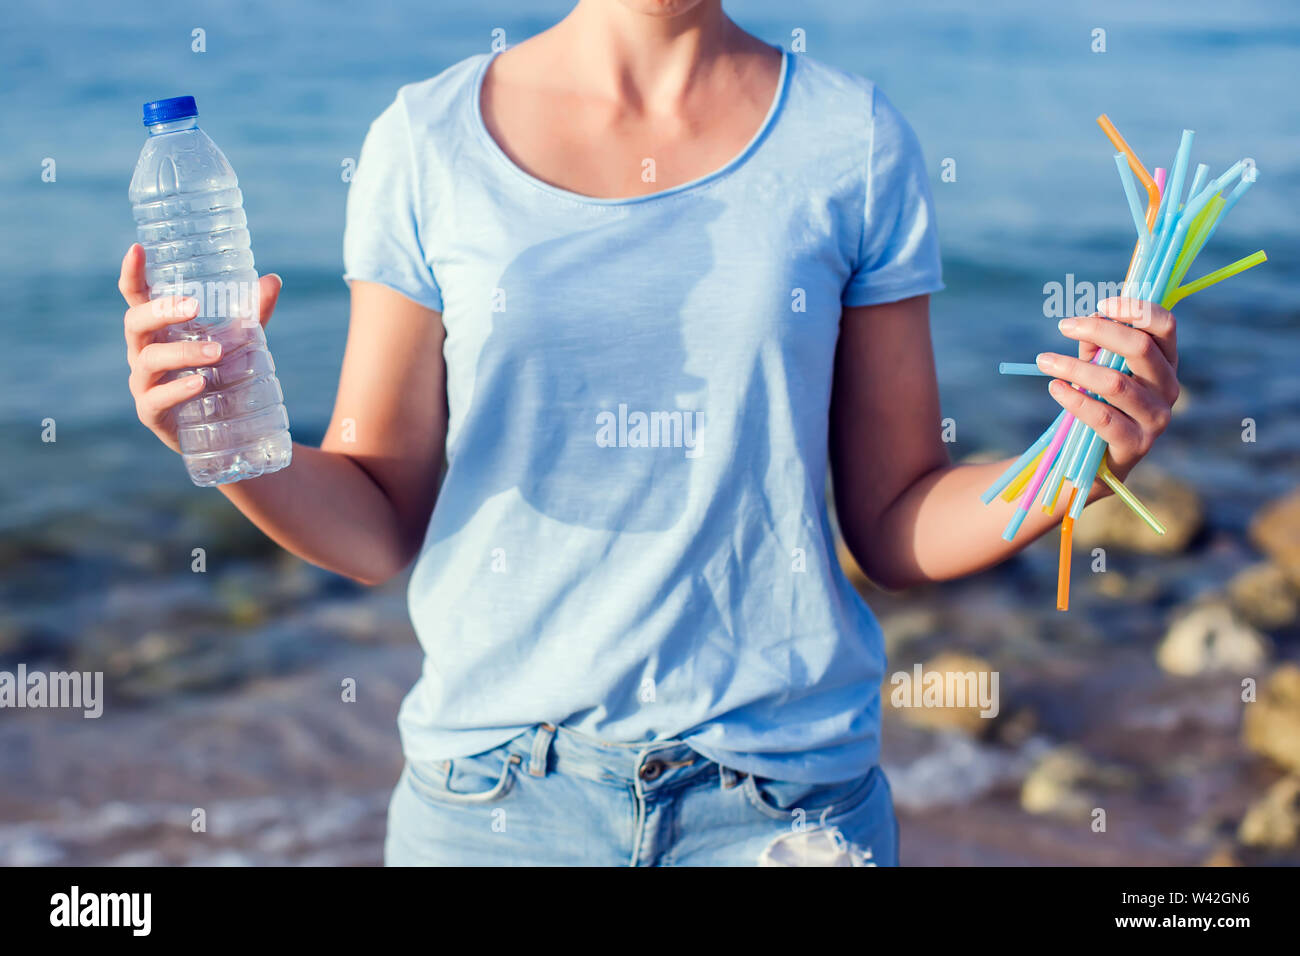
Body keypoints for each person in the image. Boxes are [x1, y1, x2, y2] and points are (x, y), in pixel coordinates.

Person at [117, 0, 1181, 866]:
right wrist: (219, 435)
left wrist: (1077, 456)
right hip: (494, 804)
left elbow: (895, 521)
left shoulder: (850, 138)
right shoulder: (424, 139)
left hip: (784, 803)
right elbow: (375, 519)